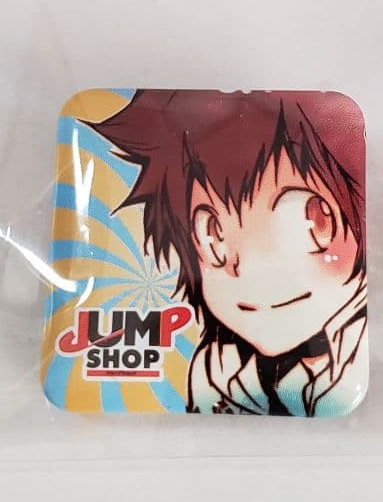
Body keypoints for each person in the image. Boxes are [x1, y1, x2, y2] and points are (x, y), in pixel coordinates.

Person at [84, 88, 368, 416]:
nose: (249, 268)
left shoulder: (356, 349)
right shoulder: (217, 369)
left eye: (307, 221)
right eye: (213, 235)